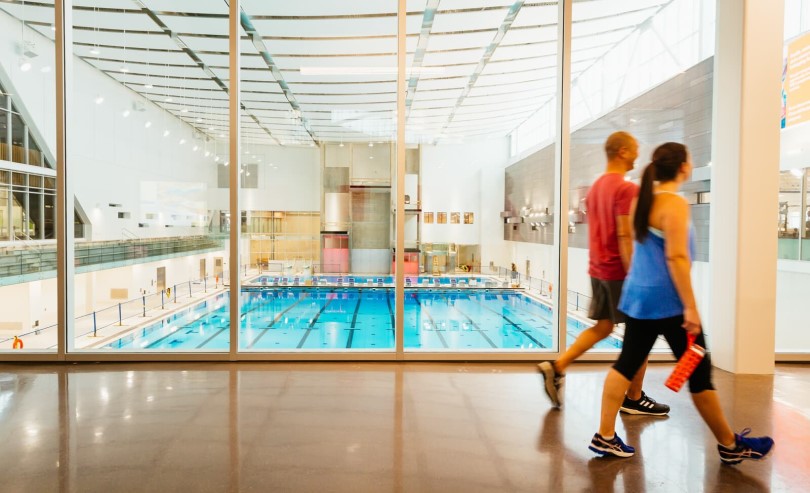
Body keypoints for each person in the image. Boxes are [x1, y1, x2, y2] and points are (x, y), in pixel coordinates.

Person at [588, 142, 774, 463]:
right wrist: (690, 306)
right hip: (669, 303)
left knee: (625, 364)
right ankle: (730, 445)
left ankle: (605, 436)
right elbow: (675, 257)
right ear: (684, 167)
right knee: (699, 374)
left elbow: (634, 249)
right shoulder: (674, 204)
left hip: (640, 298)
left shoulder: (642, 202)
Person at [538, 131, 669, 416]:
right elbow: (624, 234)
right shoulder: (625, 189)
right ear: (622, 151)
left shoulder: (595, 187)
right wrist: (638, 275)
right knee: (642, 334)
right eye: (634, 149)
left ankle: (557, 366)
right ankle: (633, 397)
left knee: (604, 327)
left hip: (598, 269)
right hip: (619, 271)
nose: (637, 154)